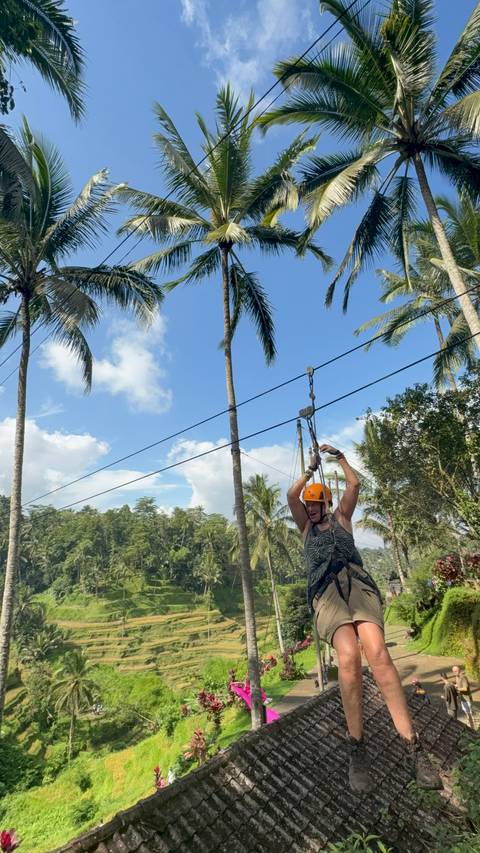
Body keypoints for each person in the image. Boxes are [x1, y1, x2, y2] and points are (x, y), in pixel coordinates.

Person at [287, 443, 442, 794]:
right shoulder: (305, 528)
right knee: (348, 656)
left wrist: (339, 458)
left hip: (357, 585)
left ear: (325, 504)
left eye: (316, 503)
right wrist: (311, 469)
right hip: (327, 593)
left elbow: (354, 487)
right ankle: (356, 746)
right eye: (309, 505)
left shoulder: (341, 519)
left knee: (378, 652)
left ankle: (413, 747)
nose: (310, 508)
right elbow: (290, 494)